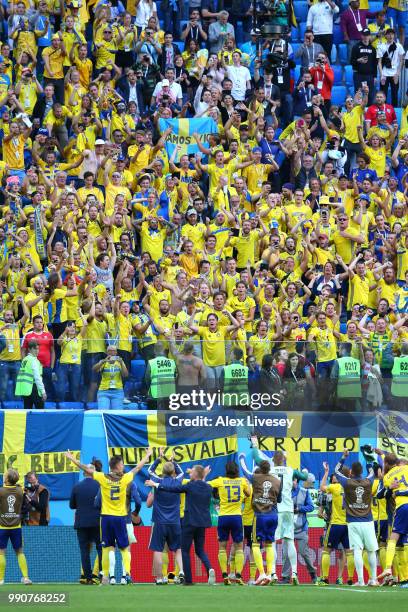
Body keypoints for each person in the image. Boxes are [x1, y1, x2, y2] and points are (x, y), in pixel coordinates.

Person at [64, 448, 152, 585]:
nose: (123, 466)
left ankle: (106, 577)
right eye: (122, 464)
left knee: (107, 548)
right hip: (120, 518)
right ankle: (126, 575)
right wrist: (147, 456)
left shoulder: (103, 478)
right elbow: (138, 468)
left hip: (105, 518)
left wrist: (72, 459)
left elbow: (86, 469)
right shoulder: (125, 479)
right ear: (117, 466)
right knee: (124, 548)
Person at [146, 463, 216, 586]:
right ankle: (199, 569)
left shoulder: (186, 485)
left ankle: (174, 578)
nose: (190, 473)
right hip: (190, 522)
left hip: (178, 521)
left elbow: (155, 476)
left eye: (193, 471)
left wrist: (156, 484)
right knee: (193, 550)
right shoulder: (206, 487)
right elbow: (191, 478)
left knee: (173, 549)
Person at [250, 439, 309, 585]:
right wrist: (305, 471)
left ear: (272, 460)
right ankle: (294, 574)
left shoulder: (269, 470)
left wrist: (255, 444)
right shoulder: (290, 470)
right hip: (289, 510)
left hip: (274, 510)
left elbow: (256, 457)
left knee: (272, 542)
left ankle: (273, 573)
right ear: (283, 459)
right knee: (289, 541)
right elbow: (304, 477)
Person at [334, 449, 379, 586]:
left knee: (357, 551)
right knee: (371, 550)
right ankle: (373, 579)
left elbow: (336, 471)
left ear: (351, 472)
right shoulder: (368, 481)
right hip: (368, 521)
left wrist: (343, 457)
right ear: (361, 472)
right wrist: (367, 459)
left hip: (353, 522)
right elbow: (372, 471)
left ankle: (360, 580)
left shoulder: (347, 483)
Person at [207, 462, 250, 585]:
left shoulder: (220, 480)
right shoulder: (241, 481)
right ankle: (239, 576)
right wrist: (244, 485)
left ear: (226, 470)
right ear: (236, 470)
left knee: (222, 547)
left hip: (223, 517)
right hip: (237, 517)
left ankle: (225, 575)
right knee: (239, 547)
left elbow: (206, 485)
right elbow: (247, 494)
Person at [146, 449, 185, 585]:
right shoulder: (178, 481)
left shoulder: (157, 481)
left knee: (158, 549)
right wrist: (173, 461)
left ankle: (160, 578)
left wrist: (159, 458)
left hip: (159, 522)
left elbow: (150, 471)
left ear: (163, 471)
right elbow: (182, 472)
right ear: (173, 471)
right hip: (175, 522)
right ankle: (181, 572)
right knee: (178, 548)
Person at [319, 462, 355, 585]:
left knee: (326, 551)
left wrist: (326, 472)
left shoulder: (335, 487)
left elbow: (322, 487)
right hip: (349, 525)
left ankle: (324, 578)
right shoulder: (353, 487)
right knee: (349, 552)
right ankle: (350, 578)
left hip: (335, 524)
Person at [69, 459, 102, 585]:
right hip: (97, 522)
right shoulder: (100, 485)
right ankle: (100, 576)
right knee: (100, 549)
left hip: (81, 523)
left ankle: (87, 577)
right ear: (94, 473)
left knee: (84, 550)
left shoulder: (77, 486)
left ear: (84, 473)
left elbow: (72, 506)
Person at [281, 475, 317, 584]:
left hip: (301, 528)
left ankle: (313, 574)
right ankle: (285, 577)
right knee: (286, 554)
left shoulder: (304, 492)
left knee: (304, 553)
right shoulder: (283, 492)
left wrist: (299, 509)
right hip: (287, 528)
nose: (290, 482)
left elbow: (311, 507)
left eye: (292, 480)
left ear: (296, 480)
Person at [0, 468, 32, 585]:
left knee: (1, 553)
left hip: (2, 527)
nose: (3, 476)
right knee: (20, 552)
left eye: (5, 475)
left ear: (7, 479)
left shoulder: (1, 491)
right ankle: (26, 577)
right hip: (16, 527)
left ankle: (1, 579)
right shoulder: (20, 491)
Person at [93, 344, 129, 410]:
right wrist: (103, 361)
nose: (112, 353)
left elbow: (125, 375)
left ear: (116, 352)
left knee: (117, 414)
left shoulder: (120, 362)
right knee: (103, 412)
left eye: (114, 351)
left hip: (117, 391)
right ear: (107, 352)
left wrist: (121, 363)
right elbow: (94, 369)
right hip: (104, 391)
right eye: (110, 351)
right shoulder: (103, 361)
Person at [15, 340, 47, 409]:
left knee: (27, 413)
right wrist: (43, 392)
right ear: (29, 349)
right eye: (35, 349)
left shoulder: (25, 359)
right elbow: (37, 378)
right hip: (34, 388)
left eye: (38, 349)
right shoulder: (34, 361)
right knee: (40, 412)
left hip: (26, 390)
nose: (37, 351)